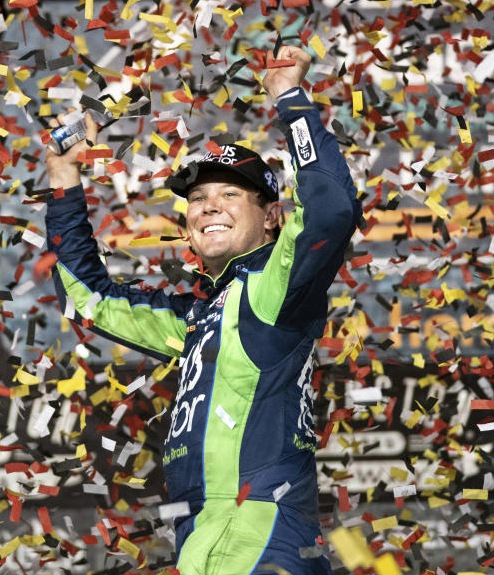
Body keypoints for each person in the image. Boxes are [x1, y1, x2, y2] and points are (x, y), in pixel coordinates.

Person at [44, 46, 362, 574]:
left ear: (272, 218)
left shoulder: (276, 283)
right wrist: (63, 174)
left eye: (232, 194)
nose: (209, 205)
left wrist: (289, 95)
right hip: (196, 541)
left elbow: (331, 208)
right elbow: (89, 297)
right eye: (198, 198)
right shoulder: (193, 317)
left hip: (263, 532)